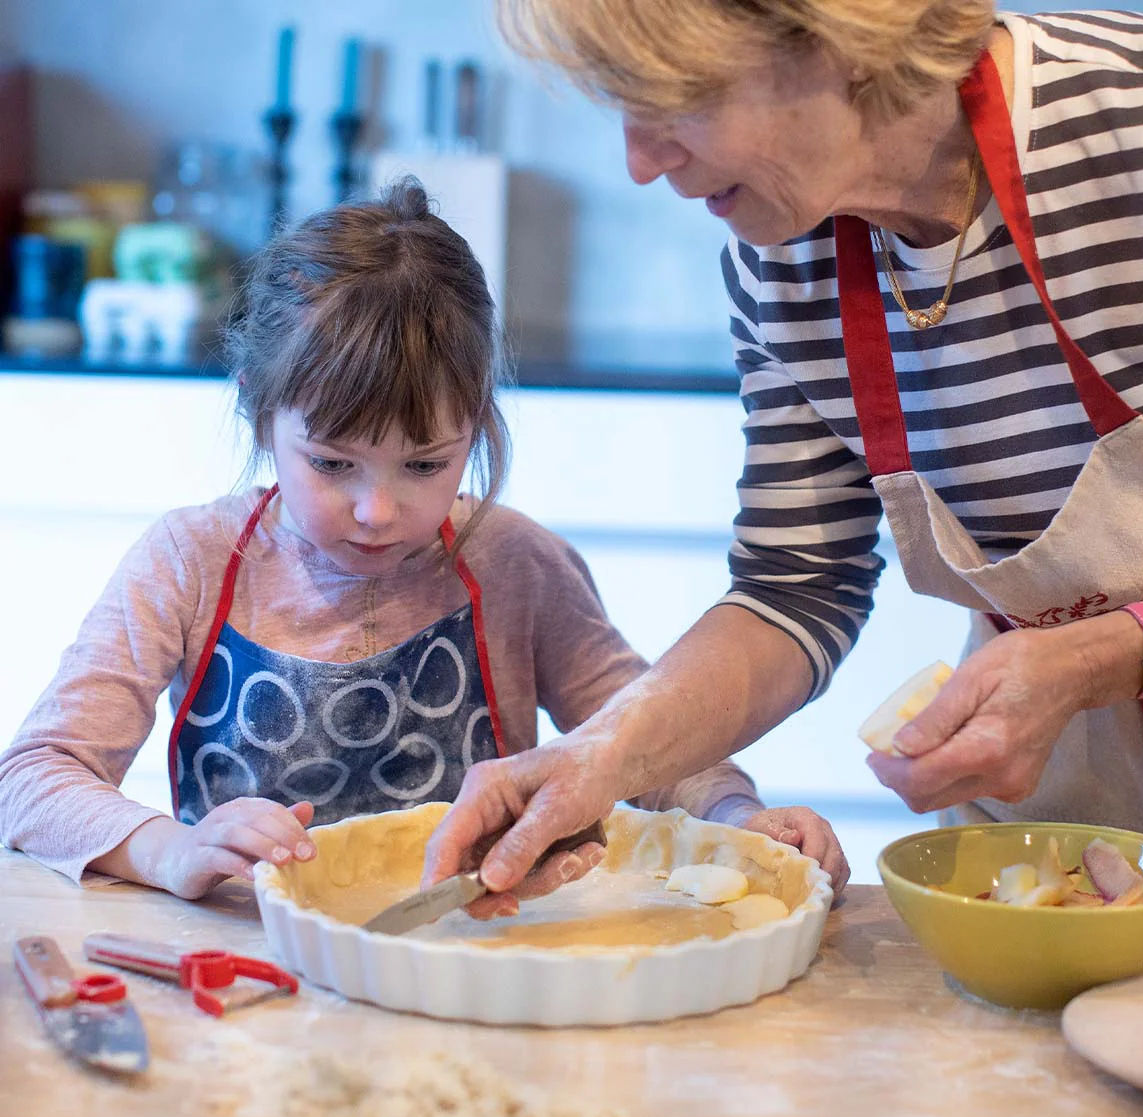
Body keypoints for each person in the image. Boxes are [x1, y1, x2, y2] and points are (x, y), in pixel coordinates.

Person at [422, 1, 1143, 903]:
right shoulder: (780, 262)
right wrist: (592, 758)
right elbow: (795, 588)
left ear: (838, 39)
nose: (639, 163)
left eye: (676, 98)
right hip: (1088, 825)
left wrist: (1103, 656)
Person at [0, 179, 848, 902]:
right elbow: (34, 777)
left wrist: (741, 817)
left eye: (424, 463)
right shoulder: (189, 563)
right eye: (332, 462)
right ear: (258, 410)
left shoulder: (516, 564)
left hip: (477, 961)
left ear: (476, 428)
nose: (377, 510)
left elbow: (654, 746)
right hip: (254, 969)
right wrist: (167, 849)